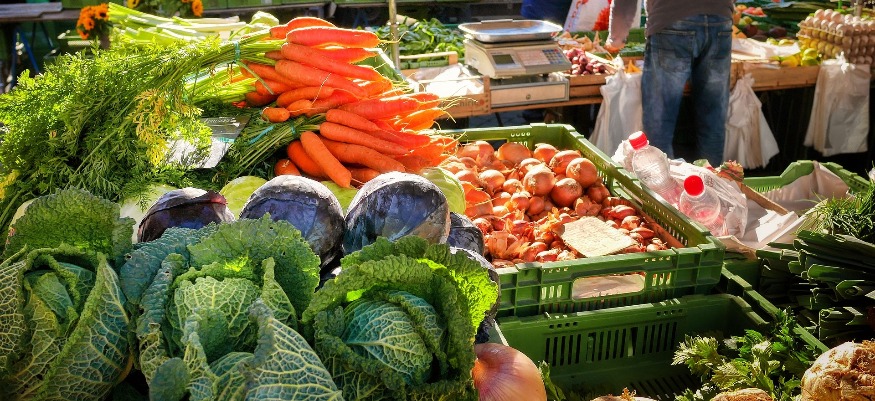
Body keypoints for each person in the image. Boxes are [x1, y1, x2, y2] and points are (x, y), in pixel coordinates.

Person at [605, 0, 735, 167]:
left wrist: (616, 38)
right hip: (720, 17)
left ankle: (663, 181)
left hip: (672, 19)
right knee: (713, 117)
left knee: (660, 120)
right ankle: (712, 178)